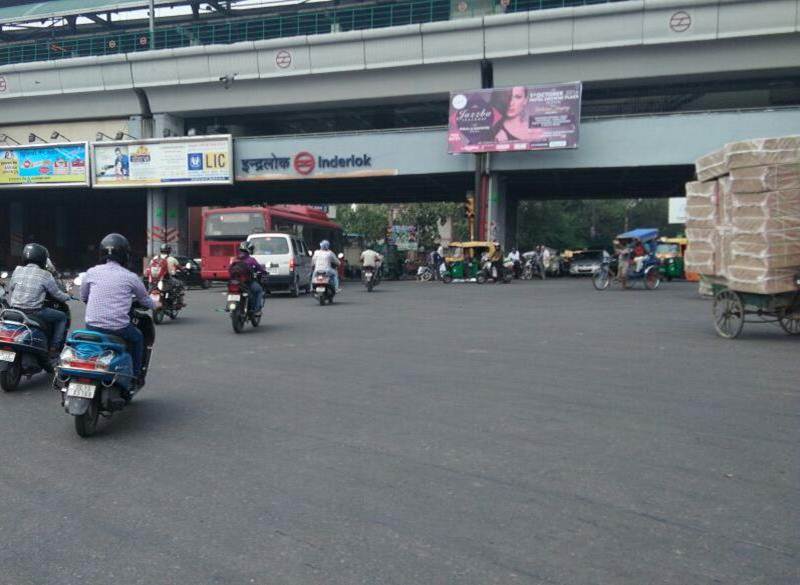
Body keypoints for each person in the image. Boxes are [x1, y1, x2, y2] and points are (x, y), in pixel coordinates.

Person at [80, 234, 155, 385]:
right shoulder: (130, 277)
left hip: (92, 325)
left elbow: (84, 296)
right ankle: (135, 375)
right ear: (125, 255)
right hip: (118, 328)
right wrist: (156, 305)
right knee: (138, 337)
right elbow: (145, 300)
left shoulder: (92, 272)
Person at [6, 243, 71, 357]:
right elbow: (57, 294)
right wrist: (68, 296)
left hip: (14, 310)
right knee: (62, 317)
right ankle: (53, 348)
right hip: (34, 312)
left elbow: (11, 287)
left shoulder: (17, 270)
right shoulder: (45, 274)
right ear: (42, 258)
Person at [229, 241, 265, 314]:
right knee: (259, 290)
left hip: (234, 282)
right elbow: (259, 268)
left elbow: (229, 269)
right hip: (247, 283)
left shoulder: (234, 259)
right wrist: (264, 272)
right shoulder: (251, 260)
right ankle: (256, 310)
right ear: (249, 249)